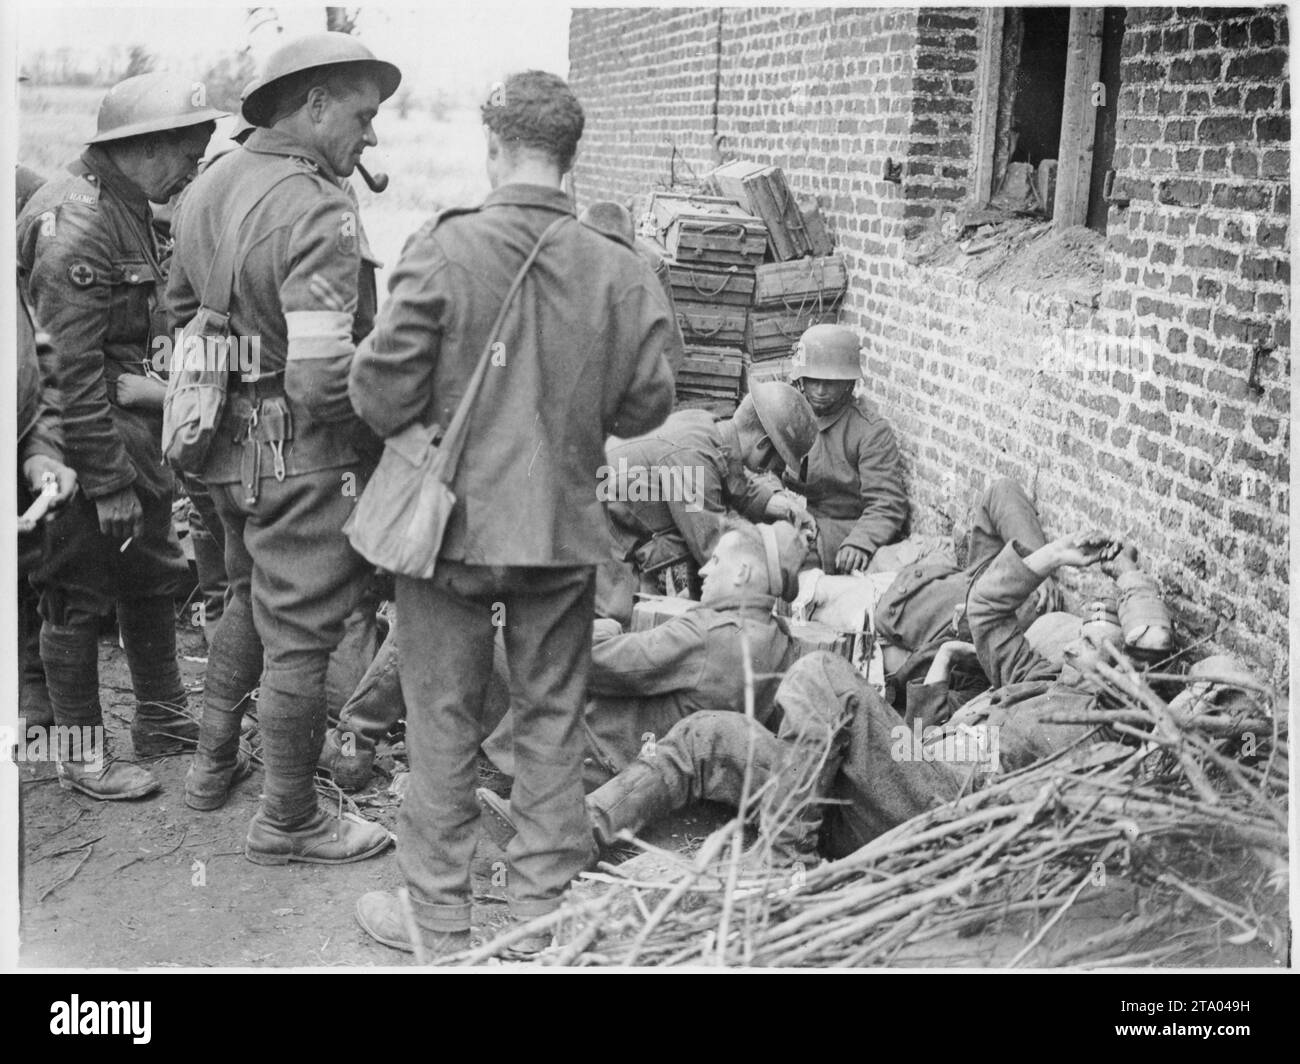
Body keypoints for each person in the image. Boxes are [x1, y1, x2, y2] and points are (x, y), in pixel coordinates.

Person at [347, 70, 680, 960]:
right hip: (561, 538)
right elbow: (651, 405)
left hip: (449, 537)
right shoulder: (620, 269)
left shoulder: (445, 248)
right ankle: (540, 921)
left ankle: (439, 923)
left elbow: (377, 393)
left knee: (441, 723)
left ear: (494, 150)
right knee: (549, 725)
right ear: (571, 159)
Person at [492, 532, 1217, 865]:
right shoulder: (1038, 676)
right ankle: (577, 834)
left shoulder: (1099, 719)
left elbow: (1147, 645)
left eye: (1098, 644)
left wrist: (1131, 589)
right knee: (713, 732)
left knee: (819, 681)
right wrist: (1047, 559)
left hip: (940, 805)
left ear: (1120, 668)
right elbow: (991, 613)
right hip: (871, 793)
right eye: (1079, 639)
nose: (1085, 647)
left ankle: (784, 857)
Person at [166, 32, 400, 864]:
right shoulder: (322, 208)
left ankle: (210, 764)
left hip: (220, 454)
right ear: (315, 104)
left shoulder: (206, 188)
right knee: (300, 635)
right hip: (299, 460)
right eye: (364, 117)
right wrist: (391, 420)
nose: (370, 138)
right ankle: (290, 817)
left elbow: (181, 323)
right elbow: (316, 382)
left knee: (244, 599)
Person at [16, 72, 224, 799]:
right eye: (189, 150)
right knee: (73, 593)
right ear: (144, 148)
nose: (197, 164)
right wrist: (106, 483)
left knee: (150, 574)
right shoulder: (79, 222)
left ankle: (163, 720)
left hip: (126, 431)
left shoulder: (129, 206)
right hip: (77, 446)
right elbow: (65, 372)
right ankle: (78, 753)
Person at [480, 517, 807, 800]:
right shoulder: (779, 641)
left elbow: (595, 664)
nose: (704, 570)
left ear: (743, 573)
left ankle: (496, 768)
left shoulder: (708, 633)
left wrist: (601, 630)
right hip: (665, 772)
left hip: (605, 761)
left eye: (717, 561)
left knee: (508, 632)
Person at [598, 381, 818, 625]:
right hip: (594, 524)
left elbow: (734, 483)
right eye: (776, 461)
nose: (773, 469)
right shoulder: (693, 456)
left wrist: (778, 505)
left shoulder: (712, 430)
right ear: (763, 444)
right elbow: (713, 546)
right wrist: (780, 551)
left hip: (617, 519)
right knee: (619, 619)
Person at [784, 324, 907, 574]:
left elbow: (887, 502)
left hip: (842, 529)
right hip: (795, 519)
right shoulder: (788, 415)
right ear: (801, 380)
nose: (819, 391)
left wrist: (860, 542)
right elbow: (760, 470)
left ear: (848, 383)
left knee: (785, 562)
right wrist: (776, 499)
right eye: (813, 380)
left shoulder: (870, 431)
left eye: (830, 383)